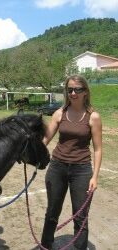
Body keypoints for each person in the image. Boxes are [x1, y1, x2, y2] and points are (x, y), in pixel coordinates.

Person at [40, 74, 102, 250]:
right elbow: (45, 139)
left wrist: (95, 177)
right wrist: (32, 151)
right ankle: (46, 245)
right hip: (57, 167)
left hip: (81, 170)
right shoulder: (60, 113)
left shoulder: (93, 117)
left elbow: (98, 149)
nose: (73, 93)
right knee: (52, 212)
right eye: (70, 90)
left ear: (85, 92)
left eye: (78, 89)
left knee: (80, 215)